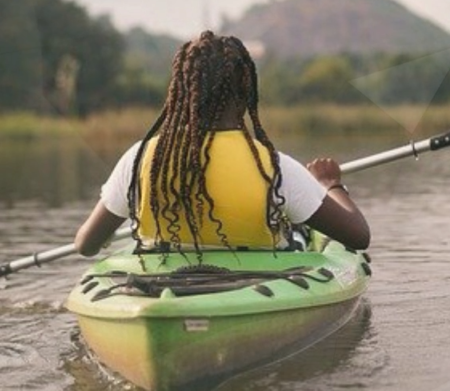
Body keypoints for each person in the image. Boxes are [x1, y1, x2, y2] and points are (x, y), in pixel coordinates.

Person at [74, 30, 370, 257]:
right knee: (299, 231)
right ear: (246, 91)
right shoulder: (274, 167)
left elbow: (86, 245)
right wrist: (330, 184)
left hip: (160, 280)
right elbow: (358, 237)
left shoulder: (139, 159)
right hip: (258, 284)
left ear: (180, 91)